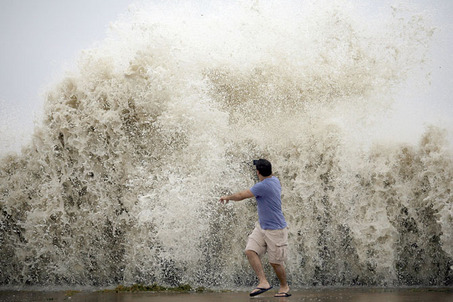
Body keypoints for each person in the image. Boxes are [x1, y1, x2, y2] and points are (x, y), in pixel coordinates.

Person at [219, 159, 291, 297]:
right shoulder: (275, 180)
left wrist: (227, 197)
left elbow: (241, 196)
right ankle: (263, 282)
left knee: (275, 263)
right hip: (262, 227)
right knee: (250, 251)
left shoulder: (262, 186)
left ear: (258, 172)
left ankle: (284, 287)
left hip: (276, 229)